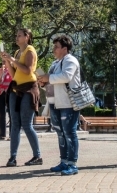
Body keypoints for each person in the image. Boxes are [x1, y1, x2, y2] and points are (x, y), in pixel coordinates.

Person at [37, 34, 82, 175]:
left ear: (65, 48)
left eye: (56, 47)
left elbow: (66, 77)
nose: (54, 49)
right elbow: (53, 84)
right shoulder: (55, 63)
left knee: (69, 132)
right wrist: (43, 83)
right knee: (60, 133)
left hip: (68, 103)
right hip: (55, 103)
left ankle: (72, 164)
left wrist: (48, 77)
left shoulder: (70, 60)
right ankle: (64, 161)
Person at [1, 28, 42, 167]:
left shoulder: (30, 50)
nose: (17, 37)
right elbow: (14, 74)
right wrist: (7, 61)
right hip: (16, 89)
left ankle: (37, 156)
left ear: (27, 37)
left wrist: (13, 60)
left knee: (26, 124)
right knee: (15, 124)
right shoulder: (17, 52)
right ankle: (12, 157)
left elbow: (28, 70)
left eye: (19, 35)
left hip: (29, 89)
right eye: (16, 35)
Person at [0, 64, 12, 141]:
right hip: (0, 93)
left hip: (9, 93)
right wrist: (0, 74)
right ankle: (2, 134)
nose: (4, 63)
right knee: (2, 114)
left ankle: (12, 134)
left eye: (5, 61)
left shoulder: (12, 70)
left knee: (11, 114)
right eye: (3, 61)